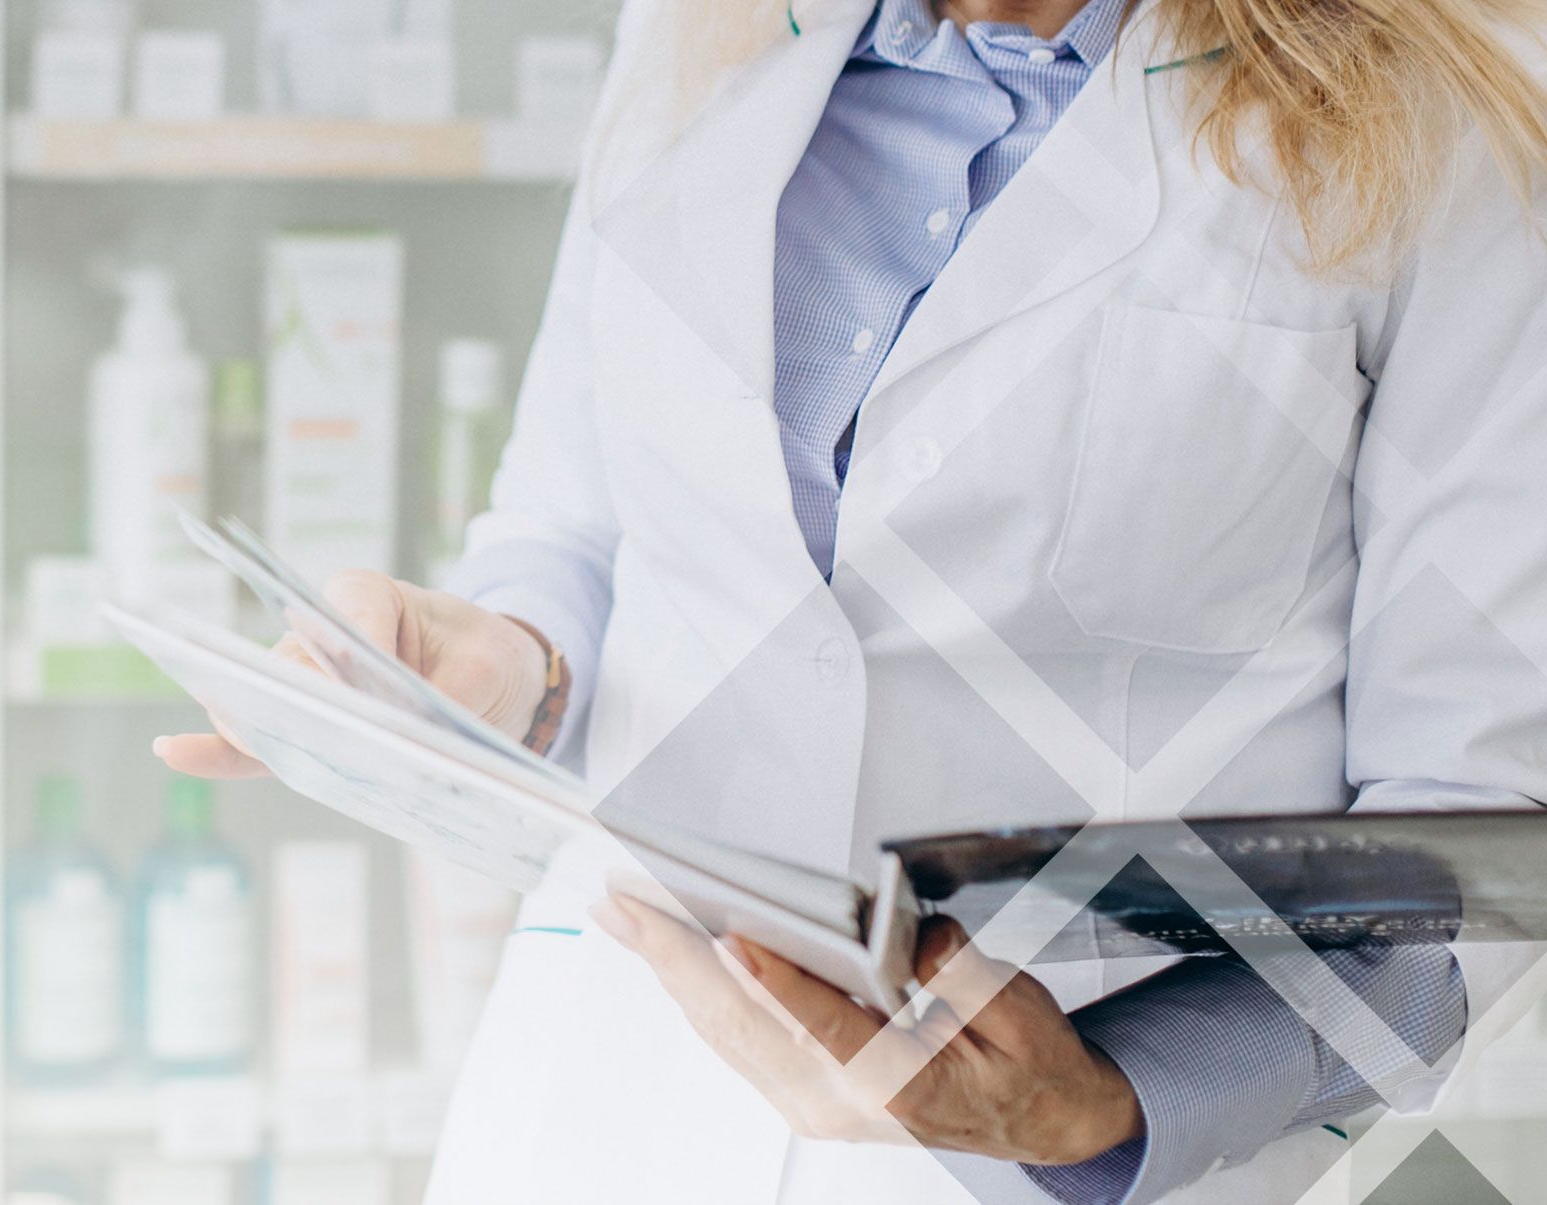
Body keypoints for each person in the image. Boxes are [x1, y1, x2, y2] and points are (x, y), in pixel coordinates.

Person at [158, 0, 1547, 1200]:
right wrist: (502, 661)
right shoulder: (698, 34)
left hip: (1075, 1159)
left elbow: (1480, 829)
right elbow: (573, 529)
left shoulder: (1452, 125)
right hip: (609, 1098)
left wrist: (1113, 1099)